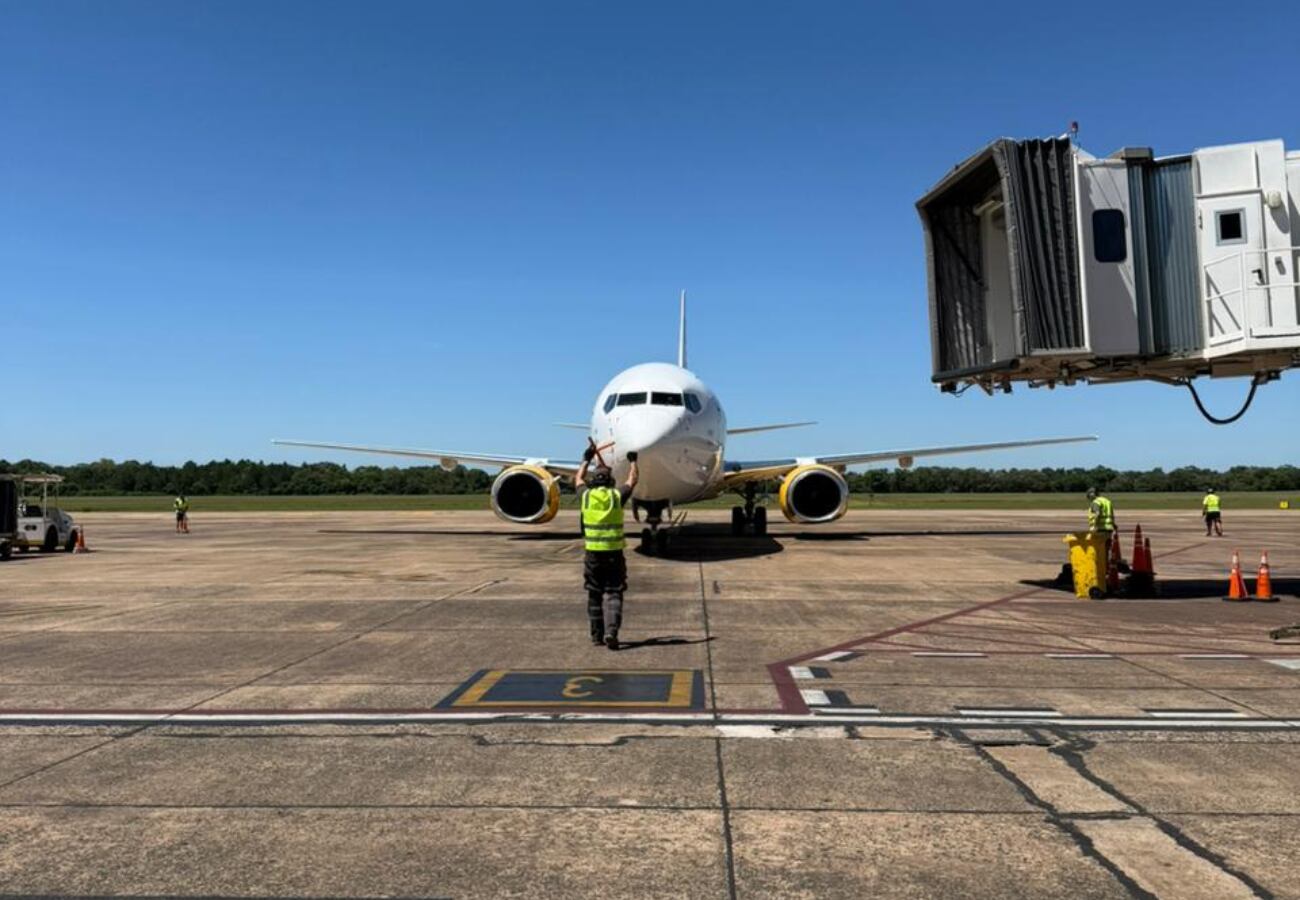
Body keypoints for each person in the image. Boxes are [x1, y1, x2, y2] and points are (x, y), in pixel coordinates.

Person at [574, 445, 639, 650]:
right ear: (611, 481)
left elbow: (577, 479)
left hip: (592, 555)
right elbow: (632, 480)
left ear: (593, 481)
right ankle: (612, 631)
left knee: (594, 594)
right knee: (614, 593)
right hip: (614, 554)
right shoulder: (616, 496)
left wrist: (586, 459)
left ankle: (596, 636)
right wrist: (633, 461)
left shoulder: (586, 496)